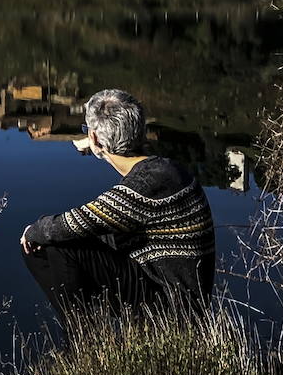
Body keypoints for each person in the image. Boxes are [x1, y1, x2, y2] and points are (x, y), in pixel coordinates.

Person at [20, 89, 215, 324]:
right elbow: (106, 230)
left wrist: (34, 230)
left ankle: (81, 342)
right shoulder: (168, 170)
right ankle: (94, 333)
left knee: (57, 244)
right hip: (175, 294)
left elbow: (74, 223)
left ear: (94, 138)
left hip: (172, 311)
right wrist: (95, 143)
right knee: (68, 242)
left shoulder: (145, 186)